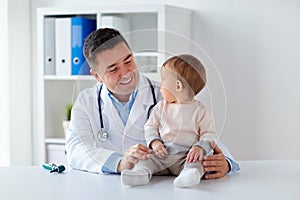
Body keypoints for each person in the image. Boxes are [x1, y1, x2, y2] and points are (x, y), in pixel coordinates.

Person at [65, 28, 239, 179]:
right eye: (113, 69)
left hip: (162, 190)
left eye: (128, 61)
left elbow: (204, 132)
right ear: (96, 75)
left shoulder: (167, 94)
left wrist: (227, 163)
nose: (126, 73)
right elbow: (76, 149)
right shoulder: (86, 102)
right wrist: (120, 163)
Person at [121, 54, 219, 187]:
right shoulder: (160, 108)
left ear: (178, 86)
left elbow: (209, 134)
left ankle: (189, 175)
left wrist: (199, 148)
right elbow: (150, 127)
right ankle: (140, 174)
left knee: (199, 162)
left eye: (163, 80)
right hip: (162, 154)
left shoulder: (202, 111)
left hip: (186, 156)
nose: (160, 85)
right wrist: (155, 142)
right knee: (145, 159)